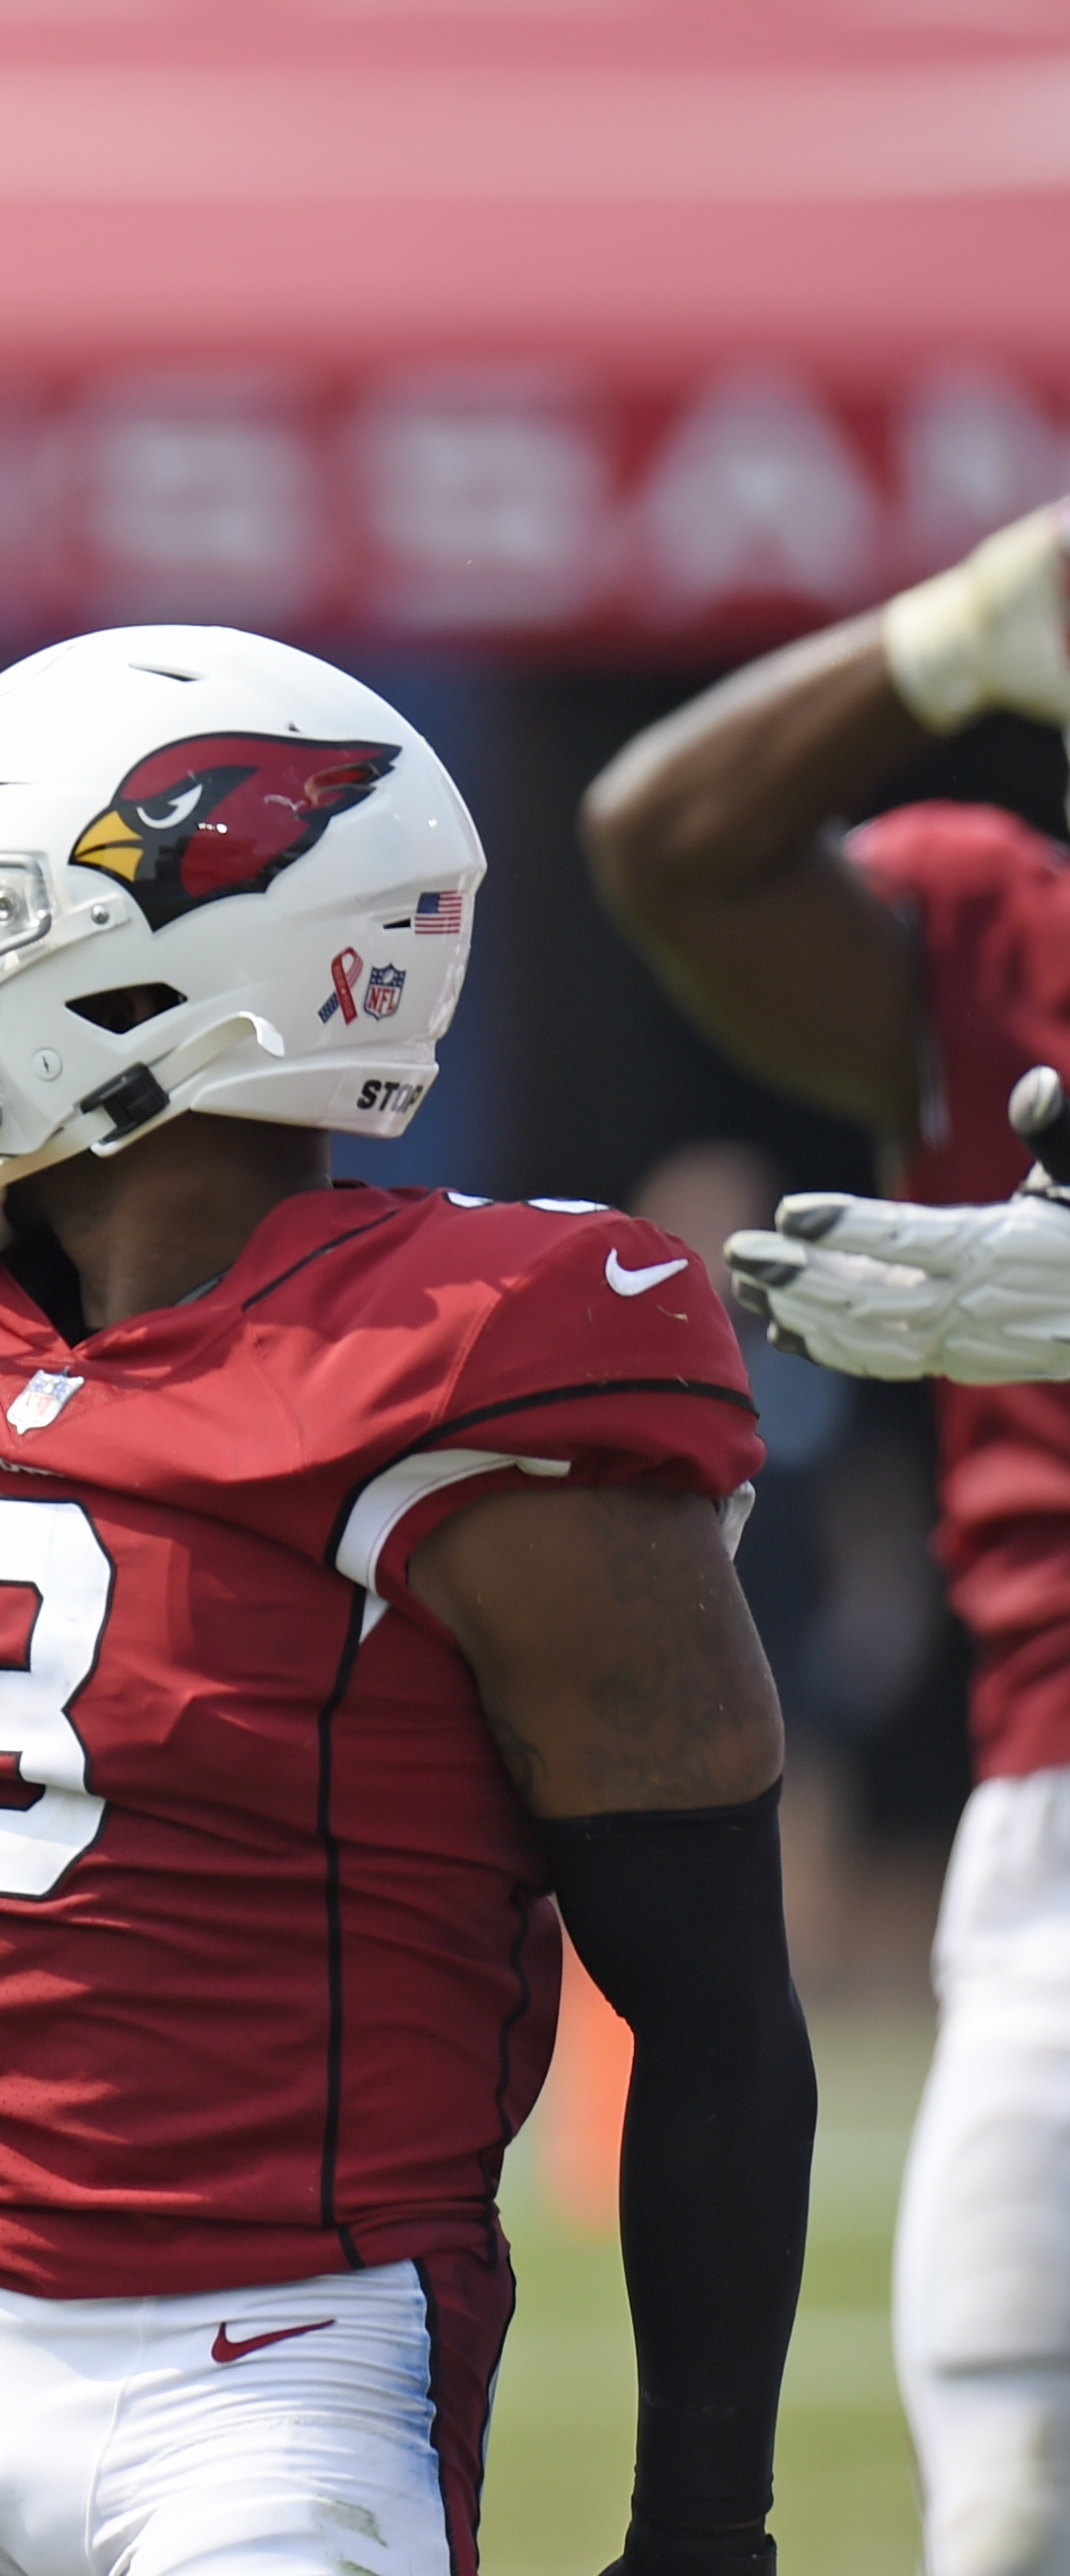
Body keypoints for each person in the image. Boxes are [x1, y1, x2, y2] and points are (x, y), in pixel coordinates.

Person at [0, 627, 815, 2576]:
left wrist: (700, 2522)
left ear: (169, 971)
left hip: (274, 2373)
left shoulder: (464, 1362)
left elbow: (708, 2012)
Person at [587, 497, 1070, 2576]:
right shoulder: (998, 932)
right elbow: (660, 839)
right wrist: (949, 637)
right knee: (1007, 2492)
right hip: (1055, 1825)